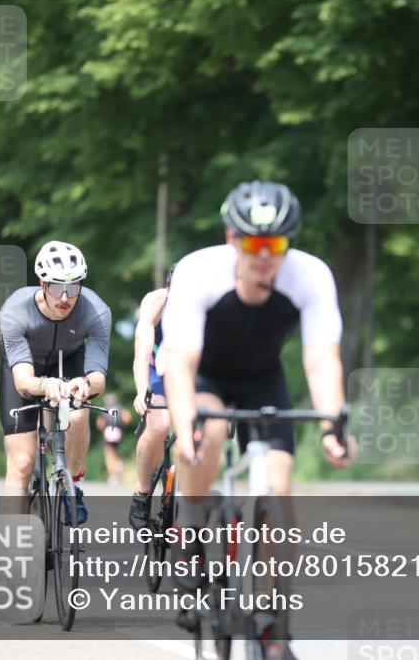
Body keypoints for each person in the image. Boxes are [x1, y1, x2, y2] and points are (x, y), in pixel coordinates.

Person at [162, 181, 355, 660]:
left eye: (276, 245)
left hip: (263, 379)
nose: (265, 256)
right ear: (232, 238)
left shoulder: (310, 276)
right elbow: (181, 363)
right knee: (204, 438)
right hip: (206, 373)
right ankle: (189, 532)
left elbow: (321, 359)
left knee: (279, 489)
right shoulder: (198, 272)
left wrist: (333, 424)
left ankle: (270, 620)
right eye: (253, 244)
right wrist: (185, 426)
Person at [0, 240, 112, 523]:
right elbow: (24, 381)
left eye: (73, 287)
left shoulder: (97, 312)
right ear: (42, 284)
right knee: (22, 463)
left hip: (69, 359)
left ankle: (70, 486)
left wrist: (85, 385)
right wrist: (45, 384)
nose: (65, 297)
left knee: (79, 413)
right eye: (57, 287)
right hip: (25, 367)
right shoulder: (15, 311)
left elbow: (98, 377)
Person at [128, 263, 176, 528]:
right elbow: (142, 353)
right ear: (168, 290)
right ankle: (142, 489)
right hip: (157, 366)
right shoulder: (156, 302)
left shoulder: (211, 305)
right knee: (159, 426)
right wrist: (142, 390)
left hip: (189, 368)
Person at [96, 394, 131, 484]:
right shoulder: (120, 408)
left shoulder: (105, 409)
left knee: (109, 453)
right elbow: (127, 417)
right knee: (116, 452)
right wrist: (123, 425)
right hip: (118, 431)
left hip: (109, 431)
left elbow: (100, 423)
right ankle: (119, 466)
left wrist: (103, 428)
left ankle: (113, 475)